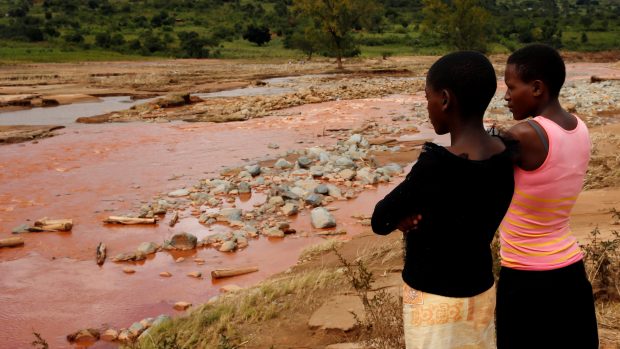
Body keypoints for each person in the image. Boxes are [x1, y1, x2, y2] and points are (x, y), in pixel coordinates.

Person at [371, 51, 515, 349]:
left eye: (428, 98)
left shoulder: (436, 166)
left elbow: (379, 220)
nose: (427, 107)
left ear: (446, 100)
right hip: (480, 291)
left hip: (434, 301)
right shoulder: (503, 155)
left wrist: (400, 219)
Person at [496, 44, 599, 349]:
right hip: (571, 272)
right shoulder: (580, 128)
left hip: (526, 280)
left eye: (511, 87)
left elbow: (470, 167)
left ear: (537, 88)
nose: (506, 97)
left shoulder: (524, 135)